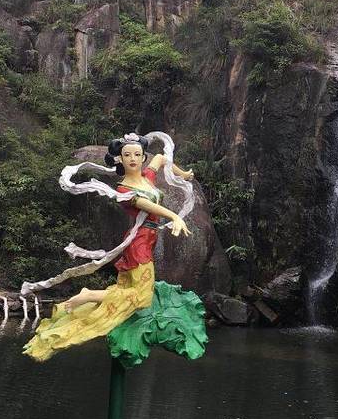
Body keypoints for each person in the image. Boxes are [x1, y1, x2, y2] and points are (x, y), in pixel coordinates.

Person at [22, 132, 207, 365]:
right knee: (142, 297)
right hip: (139, 243)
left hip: (145, 240)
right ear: (120, 158)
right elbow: (146, 205)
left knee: (127, 290)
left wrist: (184, 175)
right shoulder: (123, 189)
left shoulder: (147, 178)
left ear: (143, 157)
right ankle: (88, 295)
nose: (133, 159)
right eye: (127, 155)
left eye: (137, 155)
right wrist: (174, 216)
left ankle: (91, 299)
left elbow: (161, 158)